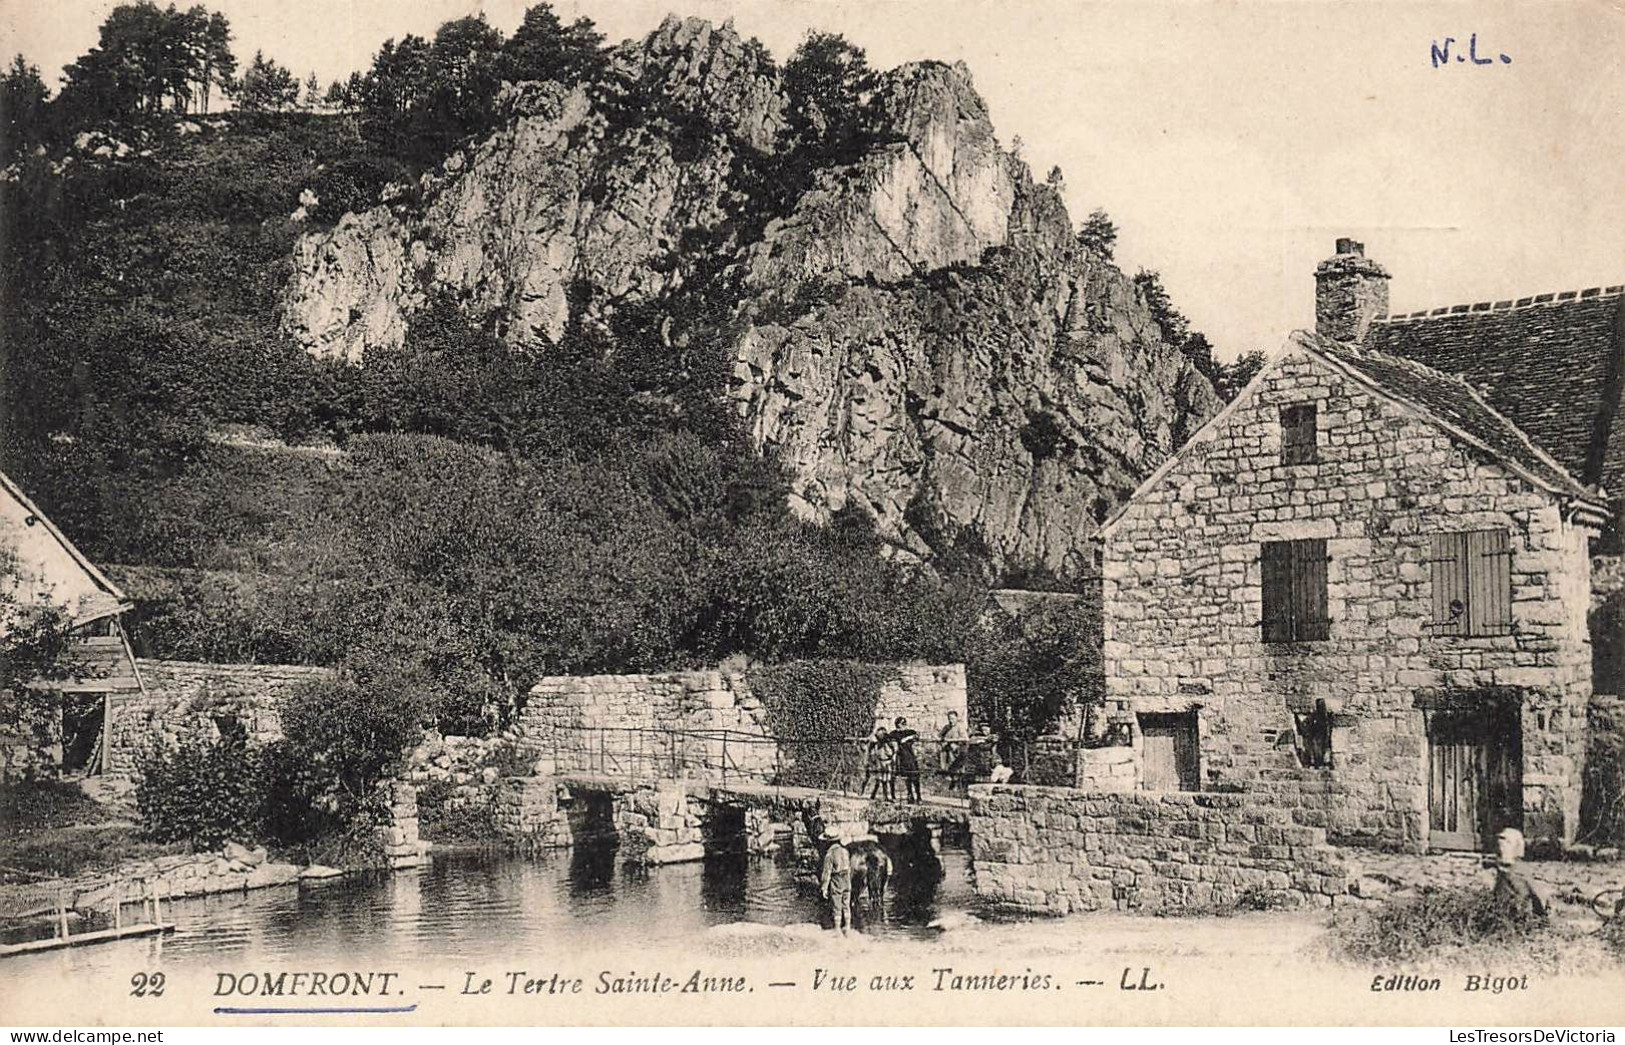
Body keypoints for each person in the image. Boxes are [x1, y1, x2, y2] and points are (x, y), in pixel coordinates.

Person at [1489, 827, 1548, 921]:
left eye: (1508, 843)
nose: (1501, 847)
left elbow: (1539, 897)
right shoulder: (1501, 872)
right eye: (1500, 843)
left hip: (1520, 919)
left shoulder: (1522, 872)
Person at [819, 830, 853, 935]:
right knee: (846, 904)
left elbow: (827, 872)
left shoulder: (830, 854)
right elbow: (849, 868)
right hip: (846, 878)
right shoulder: (845, 851)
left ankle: (837, 929)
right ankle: (847, 927)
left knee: (836, 904)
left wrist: (824, 887)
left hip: (837, 879)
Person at [892, 717, 921, 802]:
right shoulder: (894, 734)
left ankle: (918, 796)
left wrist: (908, 738)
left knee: (915, 776)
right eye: (902, 724)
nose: (904, 725)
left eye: (904, 723)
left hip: (911, 756)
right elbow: (891, 740)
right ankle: (910, 795)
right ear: (897, 725)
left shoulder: (909, 732)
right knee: (907, 777)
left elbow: (917, 735)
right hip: (901, 757)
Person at [863, 724, 895, 800]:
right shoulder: (876, 743)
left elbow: (890, 753)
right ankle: (877, 795)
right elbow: (871, 748)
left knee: (887, 779)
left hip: (887, 762)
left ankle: (887, 796)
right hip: (880, 762)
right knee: (880, 780)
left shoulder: (888, 744)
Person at [938, 711, 969, 790]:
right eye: (949, 719)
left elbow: (965, 738)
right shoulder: (947, 727)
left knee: (957, 767)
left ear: (956, 718)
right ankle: (950, 781)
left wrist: (953, 741)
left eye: (952, 718)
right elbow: (939, 736)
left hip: (957, 749)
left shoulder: (960, 727)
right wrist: (942, 740)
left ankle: (957, 784)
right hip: (948, 750)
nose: (951, 720)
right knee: (947, 765)